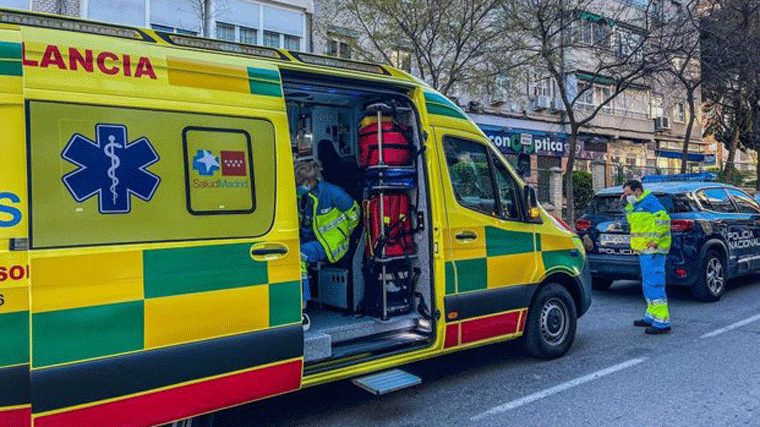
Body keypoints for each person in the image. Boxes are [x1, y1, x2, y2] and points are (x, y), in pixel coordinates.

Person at [295, 159, 360, 330]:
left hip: (331, 242)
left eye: (299, 182)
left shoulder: (332, 193)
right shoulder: (303, 195)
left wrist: (346, 233)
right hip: (311, 239)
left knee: (298, 256)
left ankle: (301, 309)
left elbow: (354, 213)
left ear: (308, 181)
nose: (297, 186)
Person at [622, 179, 672, 335]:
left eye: (628, 193)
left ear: (638, 191)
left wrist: (655, 241)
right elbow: (633, 224)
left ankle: (662, 322)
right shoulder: (636, 205)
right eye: (625, 194)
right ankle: (651, 316)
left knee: (654, 285)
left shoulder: (651, 202)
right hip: (644, 251)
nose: (626, 196)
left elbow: (663, 221)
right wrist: (628, 205)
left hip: (653, 251)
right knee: (648, 285)